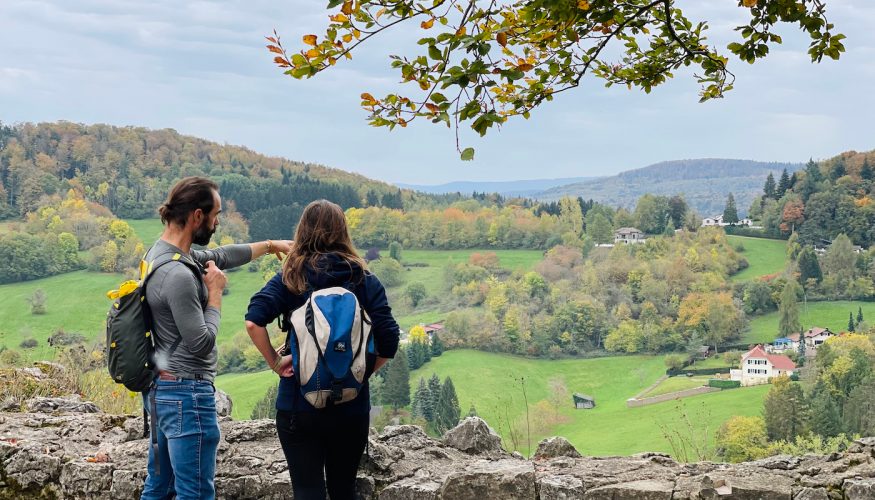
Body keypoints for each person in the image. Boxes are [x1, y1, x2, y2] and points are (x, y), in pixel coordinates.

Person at [141, 176, 292, 500]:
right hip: (187, 393)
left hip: (163, 390)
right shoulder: (178, 275)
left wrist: (268, 246)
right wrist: (215, 293)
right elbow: (201, 342)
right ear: (198, 216)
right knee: (194, 493)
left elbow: (220, 256)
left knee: (158, 489)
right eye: (216, 214)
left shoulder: (161, 253)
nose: (218, 221)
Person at [245, 199, 400, 500]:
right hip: (352, 406)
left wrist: (276, 362)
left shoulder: (291, 277)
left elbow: (253, 322)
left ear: (302, 232)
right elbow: (390, 340)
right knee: (344, 490)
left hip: (298, 404)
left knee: (307, 491)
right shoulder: (363, 279)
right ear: (343, 232)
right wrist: (361, 372)